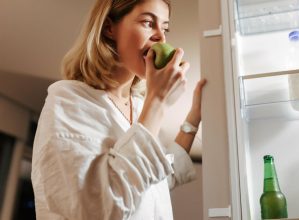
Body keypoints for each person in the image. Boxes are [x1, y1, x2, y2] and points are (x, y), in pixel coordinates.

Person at [31, 0, 206, 219]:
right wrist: (158, 100)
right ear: (109, 28)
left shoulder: (139, 106)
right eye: (148, 23)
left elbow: (153, 179)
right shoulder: (69, 101)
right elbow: (100, 208)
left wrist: (194, 116)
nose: (160, 37)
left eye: (165, 28)